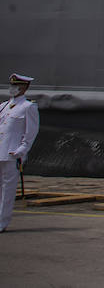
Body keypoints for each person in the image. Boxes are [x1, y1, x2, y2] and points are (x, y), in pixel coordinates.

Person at [0, 73, 39, 233]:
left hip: (12, 154)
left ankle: (2, 222)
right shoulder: (3, 106)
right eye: (12, 85)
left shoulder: (28, 107)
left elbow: (31, 132)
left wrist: (22, 150)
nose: (13, 88)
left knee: (7, 191)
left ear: (25, 87)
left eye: (16, 86)